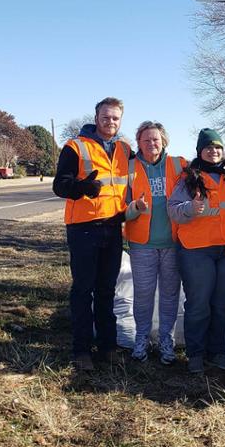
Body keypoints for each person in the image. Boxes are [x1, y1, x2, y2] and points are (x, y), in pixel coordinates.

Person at [52, 97, 132, 373]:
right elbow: (60, 185)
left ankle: (108, 347)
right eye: (106, 117)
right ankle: (82, 350)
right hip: (84, 228)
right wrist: (82, 187)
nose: (111, 122)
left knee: (107, 290)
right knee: (83, 290)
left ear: (121, 120)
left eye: (115, 118)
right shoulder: (76, 146)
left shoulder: (125, 148)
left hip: (113, 227)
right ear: (97, 118)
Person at [168, 128, 225, 374]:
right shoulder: (189, 177)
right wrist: (190, 207)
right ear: (200, 150)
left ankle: (217, 351)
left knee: (222, 304)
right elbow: (173, 209)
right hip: (196, 250)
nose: (214, 151)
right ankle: (196, 354)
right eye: (208, 147)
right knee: (199, 304)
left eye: (218, 147)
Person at [124, 121, 187, 365]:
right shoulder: (130, 168)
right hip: (142, 244)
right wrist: (135, 209)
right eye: (146, 140)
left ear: (164, 141)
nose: (152, 144)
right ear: (138, 143)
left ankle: (166, 341)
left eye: (156, 139)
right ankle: (141, 338)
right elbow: (122, 207)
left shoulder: (178, 165)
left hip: (172, 242)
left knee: (170, 294)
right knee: (143, 293)